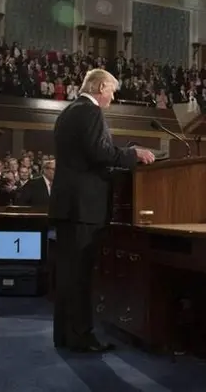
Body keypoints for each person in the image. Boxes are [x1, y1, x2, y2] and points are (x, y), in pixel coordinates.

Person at [49, 69, 155, 353]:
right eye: (111, 90)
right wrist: (134, 155)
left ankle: (66, 335)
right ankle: (81, 338)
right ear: (100, 86)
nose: (113, 95)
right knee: (79, 277)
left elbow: (91, 152)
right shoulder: (90, 112)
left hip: (70, 205)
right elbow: (101, 154)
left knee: (69, 276)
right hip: (83, 208)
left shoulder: (70, 111)